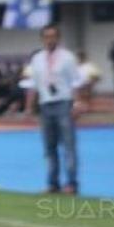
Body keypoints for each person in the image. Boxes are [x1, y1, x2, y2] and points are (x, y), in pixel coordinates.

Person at [26, 24, 82, 195]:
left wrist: (77, 103)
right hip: (45, 104)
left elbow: (75, 81)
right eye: (47, 36)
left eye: (53, 36)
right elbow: (33, 84)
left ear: (58, 38)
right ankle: (53, 183)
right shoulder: (37, 59)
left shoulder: (67, 57)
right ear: (42, 39)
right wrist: (29, 106)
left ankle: (71, 183)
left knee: (68, 145)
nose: (50, 40)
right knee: (49, 147)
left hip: (63, 102)